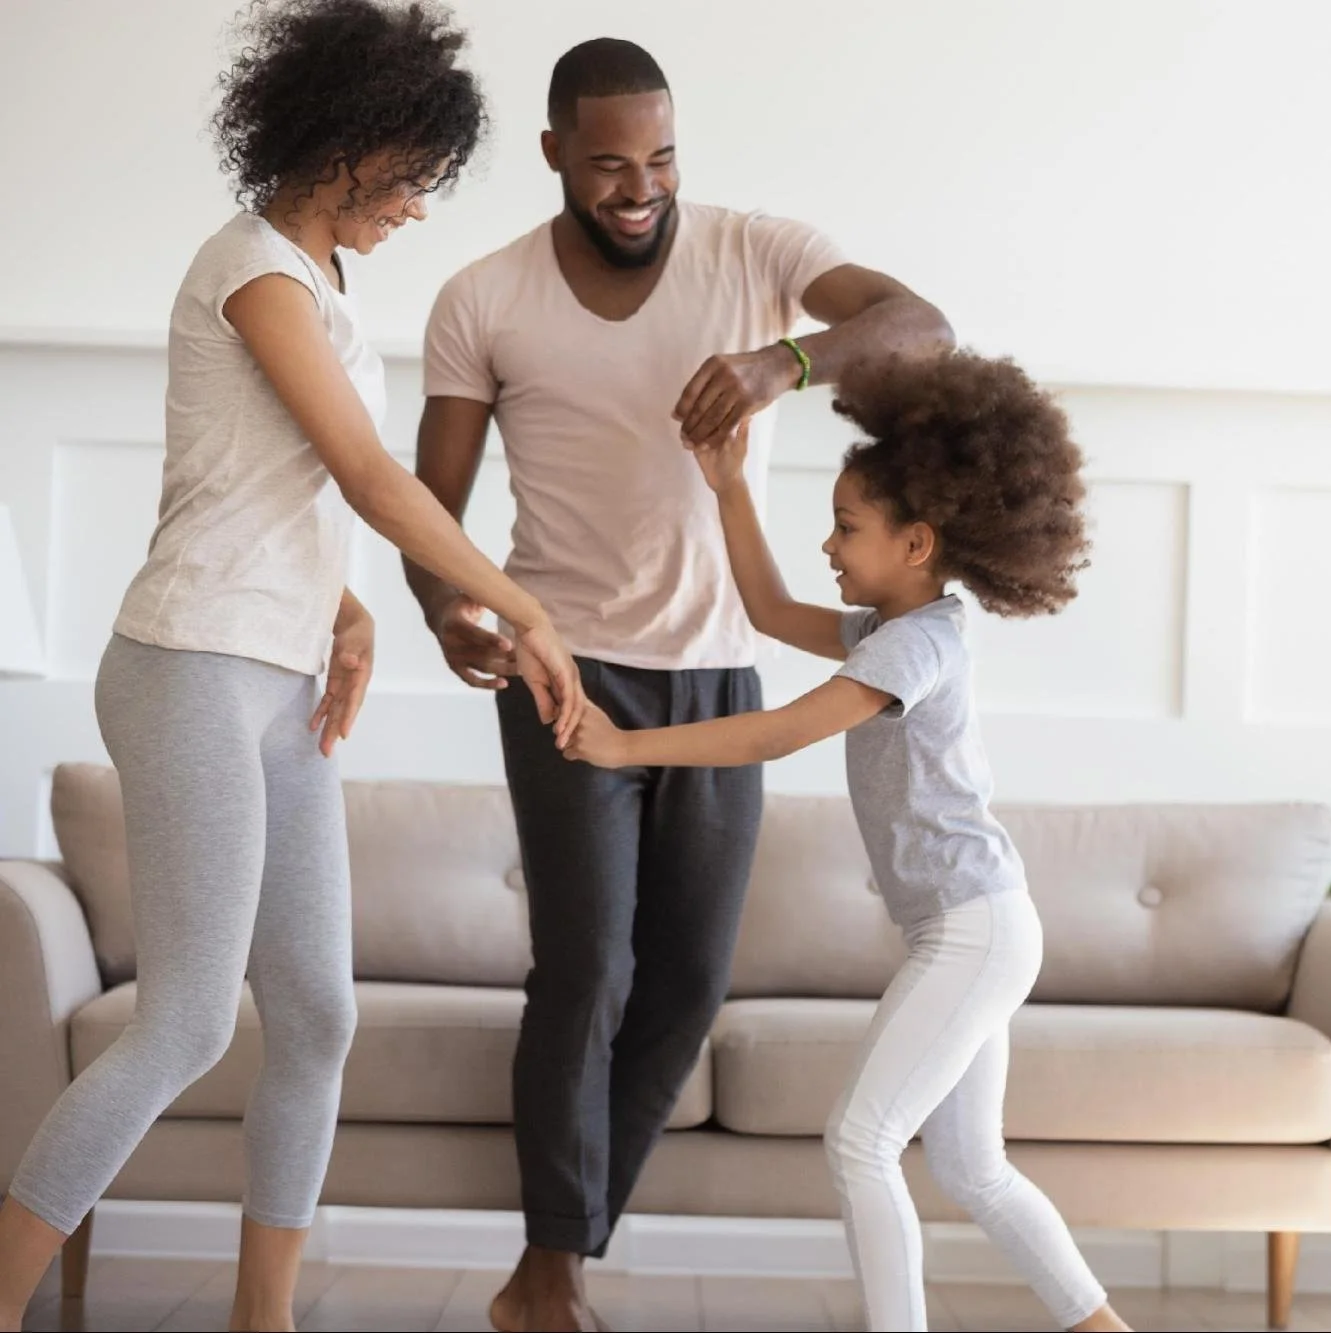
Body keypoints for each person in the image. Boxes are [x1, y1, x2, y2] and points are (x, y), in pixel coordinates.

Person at [0, 4, 585, 1330]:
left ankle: (260, 1321)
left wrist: (350, 610)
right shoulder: (255, 272)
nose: (421, 207)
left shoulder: (325, 280)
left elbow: (279, 488)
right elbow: (373, 475)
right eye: (416, 176)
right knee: (189, 1023)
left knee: (317, 1013)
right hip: (191, 665)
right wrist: (528, 610)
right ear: (353, 139)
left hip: (275, 677)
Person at [403, 37, 955, 1332]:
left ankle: (560, 1254)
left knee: (689, 983)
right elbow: (430, 511)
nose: (638, 186)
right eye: (607, 164)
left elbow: (921, 328)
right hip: (564, 665)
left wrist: (785, 364)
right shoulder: (480, 299)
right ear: (552, 155)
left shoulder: (751, 252)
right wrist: (447, 609)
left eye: (658, 158)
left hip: (716, 669)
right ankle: (551, 1275)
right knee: (584, 966)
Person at [563, 352, 1132, 1333]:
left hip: (974, 928)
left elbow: (780, 729)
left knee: (860, 1141)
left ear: (916, 541)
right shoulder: (898, 623)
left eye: (845, 527)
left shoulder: (914, 645)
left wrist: (623, 745)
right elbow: (770, 611)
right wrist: (729, 486)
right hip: (974, 923)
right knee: (970, 1165)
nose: (828, 543)